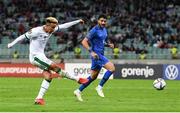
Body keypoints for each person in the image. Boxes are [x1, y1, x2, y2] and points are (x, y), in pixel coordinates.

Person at [7, 17, 88, 105]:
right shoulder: (36, 31)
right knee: (55, 67)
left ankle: (39, 99)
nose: (53, 30)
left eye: (54, 27)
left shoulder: (52, 28)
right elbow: (23, 36)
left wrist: (77, 21)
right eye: (52, 27)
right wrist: (11, 44)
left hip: (41, 56)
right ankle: (77, 79)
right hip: (35, 57)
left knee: (48, 76)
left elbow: (64, 26)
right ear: (47, 25)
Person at [74, 15, 115, 101]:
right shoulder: (94, 30)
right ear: (98, 21)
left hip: (100, 54)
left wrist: (108, 45)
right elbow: (84, 41)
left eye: (104, 21)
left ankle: (78, 90)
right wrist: (91, 52)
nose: (103, 22)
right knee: (112, 68)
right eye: (101, 21)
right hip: (97, 55)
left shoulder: (104, 29)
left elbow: (101, 42)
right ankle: (99, 87)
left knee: (93, 77)